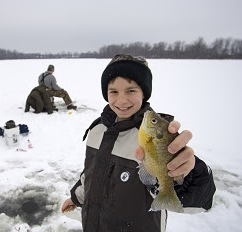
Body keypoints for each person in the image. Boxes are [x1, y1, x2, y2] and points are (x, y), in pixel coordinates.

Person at [61, 54, 216, 232]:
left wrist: (190, 172)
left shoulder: (161, 135)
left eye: (131, 90)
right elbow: (91, 174)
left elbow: (199, 199)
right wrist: (76, 198)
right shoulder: (97, 130)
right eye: (114, 91)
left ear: (144, 92)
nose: (122, 100)